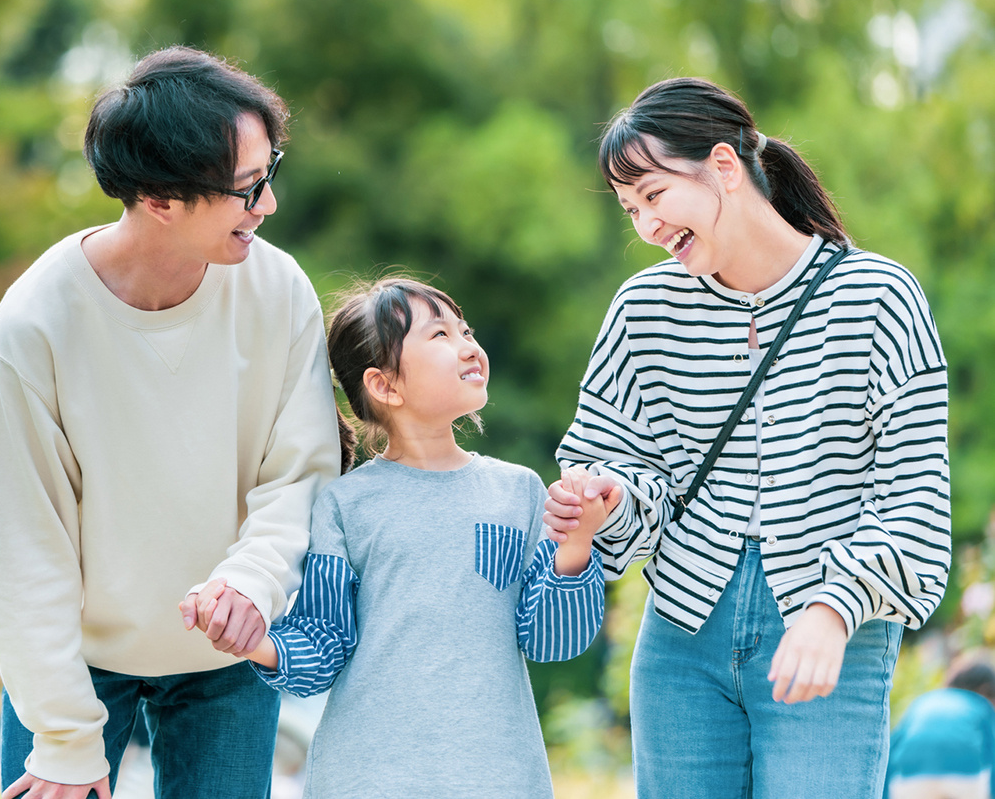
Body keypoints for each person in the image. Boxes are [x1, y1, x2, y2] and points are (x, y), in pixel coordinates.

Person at [545, 78, 951, 798]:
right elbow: (615, 461)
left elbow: (915, 499)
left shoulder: (878, 298)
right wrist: (608, 497)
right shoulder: (643, 309)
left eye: (654, 195)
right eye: (630, 208)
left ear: (725, 166)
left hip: (829, 631)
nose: (646, 225)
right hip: (681, 637)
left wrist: (832, 609)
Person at [0, 46, 342, 799]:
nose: (268, 205)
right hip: (74, 662)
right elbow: (26, 545)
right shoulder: (35, 323)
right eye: (247, 187)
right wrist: (65, 739)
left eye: (269, 172)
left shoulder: (278, 290)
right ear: (159, 198)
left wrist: (252, 582)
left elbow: (299, 473)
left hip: (229, 657)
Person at [195, 277, 608, 797]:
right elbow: (323, 644)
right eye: (440, 336)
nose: (468, 346)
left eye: (465, 330)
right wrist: (252, 641)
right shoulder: (344, 504)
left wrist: (577, 542)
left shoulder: (519, 491)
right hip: (366, 778)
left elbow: (553, 640)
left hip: (497, 777)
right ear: (385, 385)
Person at [885, 660, 995, 799]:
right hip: (964, 777)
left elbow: (891, 747)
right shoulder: (981, 704)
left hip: (910, 781)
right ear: (985, 689)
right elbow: (992, 750)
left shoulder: (923, 701)